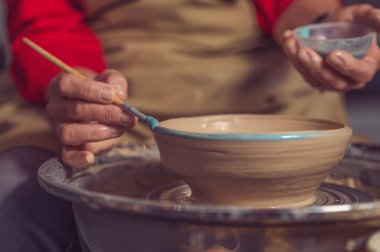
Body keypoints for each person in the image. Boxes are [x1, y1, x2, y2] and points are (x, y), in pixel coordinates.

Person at [1, 0, 380, 251]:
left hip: (274, 102)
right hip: (115, 97)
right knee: (16, 202)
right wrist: (80, 91)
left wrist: (323, 31)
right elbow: (46, 22)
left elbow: (289, 5)